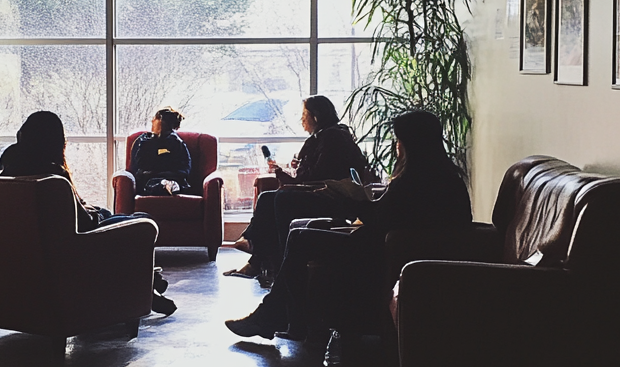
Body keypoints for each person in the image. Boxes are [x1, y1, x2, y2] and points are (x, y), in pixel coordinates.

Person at [224, 110, 472, 349]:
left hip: (381, 248)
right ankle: (282, 317)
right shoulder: (445, 176)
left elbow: (380, 218)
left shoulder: (414, 180)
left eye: (399, 140)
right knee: (301, 232)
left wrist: (348, 200)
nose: (397, 147)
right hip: (388, 243)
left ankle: (280, 317)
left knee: (300, 239)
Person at [0, 111, 175, 313]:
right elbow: (83, 223)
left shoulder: (10, 172)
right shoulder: (53, 176)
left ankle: (152, 282)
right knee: (142, 221)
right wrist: (92, 214)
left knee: (107, 212)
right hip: (77, 246)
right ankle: (148, 289)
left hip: (38, 248)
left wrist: (89, 210)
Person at [225, 95, 375, 284]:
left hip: (333, 198)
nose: (301, 119)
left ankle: (263, 255)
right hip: (321, 192)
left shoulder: (333, 137)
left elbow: (319, 175)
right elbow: (310, 175)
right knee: (268, 198)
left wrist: (294, 173)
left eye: (304, 114)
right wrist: (291, 171)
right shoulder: (322, 137)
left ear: (316, 116)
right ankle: (259, 259)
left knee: (279, 199)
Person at [128, 106, 193, 195]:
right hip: (149, 180)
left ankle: (169, 186)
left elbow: (185, 167)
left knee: (175, 183)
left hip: (173, 178)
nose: (152, 121)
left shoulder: (177, 142)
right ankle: (164, 185)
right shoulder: (143, 140)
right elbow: (138, 166)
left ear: (161, 121)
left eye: (154, 119)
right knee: (153, 183)